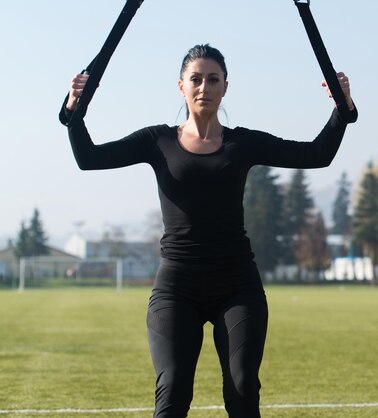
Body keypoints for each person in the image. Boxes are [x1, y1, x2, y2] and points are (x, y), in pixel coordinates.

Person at [60, 43, 357, 418]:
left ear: (225, 87)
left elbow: (317, 154)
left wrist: (341, 110)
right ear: (181, 87)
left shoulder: (242, 143)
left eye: (213, 79)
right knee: (173, 390)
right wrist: (74, 110)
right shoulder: (158, 140)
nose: (204, 87)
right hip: (176, 287)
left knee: (242, 387)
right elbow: (89, 158)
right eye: (196, 79)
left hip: (236, 286)